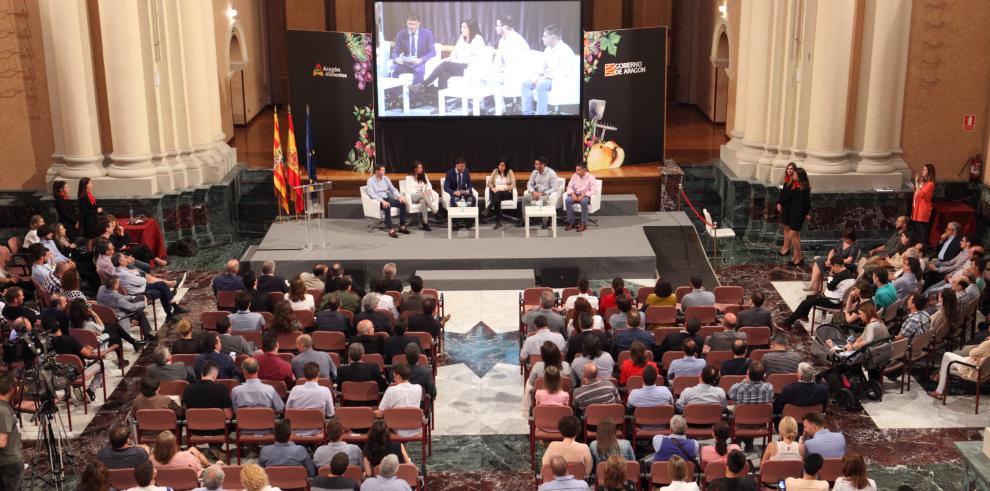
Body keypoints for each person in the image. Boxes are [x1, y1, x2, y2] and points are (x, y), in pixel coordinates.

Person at [779, 259, 855, 329]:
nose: (832, 269)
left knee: (804, 303)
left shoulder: (839, 276)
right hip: (837, 299)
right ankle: (804, 316)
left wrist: (831, 276)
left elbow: (830, 287)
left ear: (836, 265)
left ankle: (787, 324)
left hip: (832, 301)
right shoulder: (848, 272)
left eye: (832, 267)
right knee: (809, 297)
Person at [417, 19, 484, 91]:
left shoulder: (478, 39)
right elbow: (454, 53)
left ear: (471, 28)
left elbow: (475, 58)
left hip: (469, 68)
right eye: (461, 27)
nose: (462, 29)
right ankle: (442, 98)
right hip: (459, 65)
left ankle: (423, 84)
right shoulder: (462, 38)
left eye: (464, 27)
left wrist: (457, 62)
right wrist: (454, 61)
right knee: (443, 74)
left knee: (445, 64)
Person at [521, 24, 574, 116]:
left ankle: (540, 114)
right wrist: (537, 76)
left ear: (552, 37)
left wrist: (546, 77)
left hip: (558, 80)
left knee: (541, 84)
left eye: (544, 36)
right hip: (546, 78)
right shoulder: (548, 49)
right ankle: (527, 113)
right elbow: (542, 67)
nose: (542, 38)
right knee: (525, 83)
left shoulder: (565, 51)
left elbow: (565, 72)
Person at [114, 253, 184, 317]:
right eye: (124, 257)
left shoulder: (116, 270)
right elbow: (142, 281)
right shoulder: (124, 274)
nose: (127, 258)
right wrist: (137, 273)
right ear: (120, 261)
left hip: (140, 288)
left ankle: (173, 309)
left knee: (162, 284)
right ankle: (171, 312)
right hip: (139, 293)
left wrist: (134, 273)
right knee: (163, 291)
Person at [928, 335, 990, 401]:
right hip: (980, 369)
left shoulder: (988, 343)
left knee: (947, 355)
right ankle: (939, 386)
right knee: (947, 363)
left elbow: (971, 352)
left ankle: (939, 385)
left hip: (973, 370)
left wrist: (983, 343)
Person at [808, 227, 861, 292]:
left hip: (843, 265)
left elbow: (849, 260)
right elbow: (832, 251)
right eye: (844, 237)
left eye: (846, 238)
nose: (844, 239)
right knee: (818, 260)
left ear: (851, 238)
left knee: (820, 262)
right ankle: (813, 285)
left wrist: (835, 261)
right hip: (834, 261)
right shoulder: (842, 240)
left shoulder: (855, 245)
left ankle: (816, 287)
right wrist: (829, 260)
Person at [377, 363, 423, 437]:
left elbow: (380, 413)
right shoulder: (418, 388)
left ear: (398, 376)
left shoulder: (391, 390)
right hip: (416, 428)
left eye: (394, 376)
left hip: (396, 429)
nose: (394, 378)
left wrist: (370, 413)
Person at [366, 164, 411, 238]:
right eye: (382, 170)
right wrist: (382, 201)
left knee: (402, 203)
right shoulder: (370, 181)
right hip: (378, 201)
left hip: (388, 198)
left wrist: (399, 196)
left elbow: (392, 189)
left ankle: (402, 226)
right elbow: (372, 195)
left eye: (384, 170)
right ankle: (391, 230)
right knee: (387, 205)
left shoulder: (386, 178)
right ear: (377, 171)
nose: (384, 172)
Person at [390, 13, 435, 85]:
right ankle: (395, 95)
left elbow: (432, 52)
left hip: (418, 63)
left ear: (419, 24)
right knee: (394, 68)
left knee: (420, 71)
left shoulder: (427, 33)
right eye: (410, 24)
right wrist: (396, 59)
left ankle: (414, 95)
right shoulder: (401, 34)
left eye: (415, 24)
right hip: (405, 63)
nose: (412, 26)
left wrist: (421, 60)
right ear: (406, 23)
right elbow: (395, 51)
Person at [782, 167, 812, 267]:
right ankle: (796, 258)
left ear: (799, 176)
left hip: (799, 214)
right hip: (792, 212)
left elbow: (807, 203)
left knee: (791, 235)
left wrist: (805, 213)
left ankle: (799, 256)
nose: (793, 175)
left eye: (795, 174)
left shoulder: (805, 188)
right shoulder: (794, 185)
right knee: (796, 236)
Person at [520, 156, 559, 229]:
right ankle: (525, 220)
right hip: (535, 192)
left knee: (542, 200)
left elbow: (555, 188)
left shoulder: (551, 173)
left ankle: (545, 222)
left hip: (545, 193)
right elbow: (529, 184)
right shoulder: (534, 172)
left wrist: (543, 193)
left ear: (543, 165)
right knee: (525, 198)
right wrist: (533, 192)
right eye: (535, 164)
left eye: (537, 164)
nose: (535, 165)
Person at [0, 376, 21, 490]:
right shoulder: (3, 411)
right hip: (9, 463)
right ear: (12, 389)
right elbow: (1, 442)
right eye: (16, 386)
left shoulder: (3, 406)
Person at [403, 161, 438, 231]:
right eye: (419, 168)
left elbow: (429, 185)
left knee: (423, 201)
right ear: (414, 169)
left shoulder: (423, 175)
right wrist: (420, 193)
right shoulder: (408, 177)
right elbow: (408, 190)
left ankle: (425, 223)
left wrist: (428, 190)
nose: (421, 169)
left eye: (421, 167)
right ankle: (435, 211)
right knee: (423, 195)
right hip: (413, 196)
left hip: (423, 195)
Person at [444, 158, 477, 230]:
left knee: (472, 199)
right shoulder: (450, 173)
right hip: (455, 193)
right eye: (461, 166)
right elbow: (446, 187)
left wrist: (468, 190)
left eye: (464, 166)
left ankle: (469, 222)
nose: (463, 168)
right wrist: (454, 192)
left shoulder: (466, 171)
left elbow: (469, 184)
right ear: (456, 165)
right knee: (454, 200)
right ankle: (456, 223)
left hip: (464, 192)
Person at [564, 163, 597, 232]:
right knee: (568, 200)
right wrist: (572, 193)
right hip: (575, 194)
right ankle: (571, 222)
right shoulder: (574, 176)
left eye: (578, 170)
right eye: (576, 169)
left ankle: (583, 224)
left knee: (584, 201)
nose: (576, 171)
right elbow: (569, 186)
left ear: (584, 170)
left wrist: (584, 195)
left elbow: (593, 191)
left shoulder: (590, 177)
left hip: (585, 195)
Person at [484, 159, 515, 228]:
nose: (501, 167)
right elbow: (489, 183)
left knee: (497, 195)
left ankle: (488, 209)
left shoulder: (510, 172)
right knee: (497, 197)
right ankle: (498, 222)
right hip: (495, 191)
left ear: (506, 166)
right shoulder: (495, 171)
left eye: (503, 165)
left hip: (506, 192)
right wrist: (493, 188)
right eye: (499, 165)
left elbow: (513, 184)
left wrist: (503, 188)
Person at [911, 163, 936, 242]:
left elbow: (921, 194)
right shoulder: (923, 181)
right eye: (923, 169)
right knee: (917, 228)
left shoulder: (930, 184)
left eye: (924, 170)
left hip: (923, 208)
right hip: (917, 206)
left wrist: (916, 182)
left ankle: (922, 247)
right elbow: (917, 191)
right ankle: (917, 246)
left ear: (929, 172)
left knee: (922, 229)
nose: (922, 171)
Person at [776, 162, 798, 256]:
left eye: (791, 169)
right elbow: (783, 194)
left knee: (788, 229)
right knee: (785, 228)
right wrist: (779, 203)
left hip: (790, 208)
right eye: (788, 168)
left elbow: (789, 196)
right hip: (785, 207)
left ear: (794, 170)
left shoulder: (794, 182)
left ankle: (787, 248)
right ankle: (784, 247)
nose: (789, 170)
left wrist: (781, 203)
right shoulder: (787, 180)